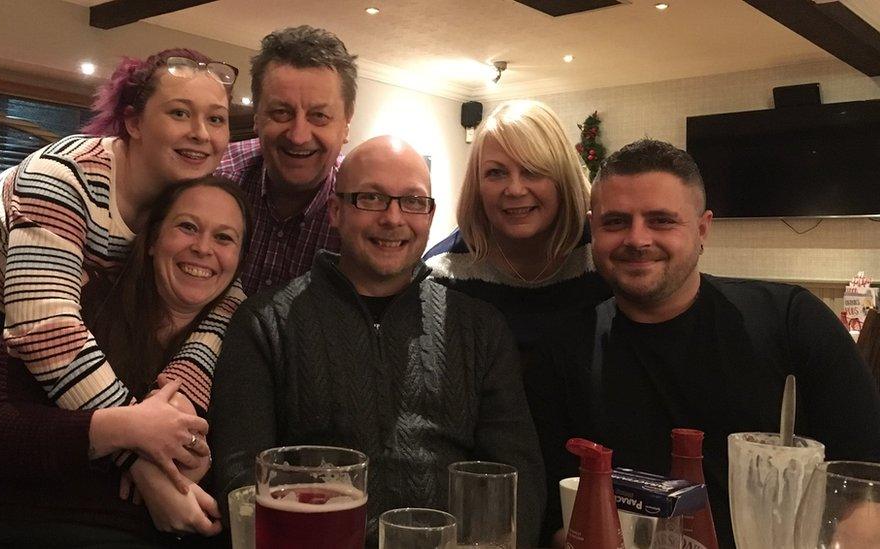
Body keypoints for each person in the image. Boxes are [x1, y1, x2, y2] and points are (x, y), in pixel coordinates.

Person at [526, 139, 880, 547]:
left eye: (661, 220)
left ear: (702, 228)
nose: (637, 239)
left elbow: (864, 488)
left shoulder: (792, 323)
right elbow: (551, 518)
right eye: (616, 222)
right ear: (594, 229)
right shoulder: (563, 352)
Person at [0, 49, 245, 482]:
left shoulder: (188, 191)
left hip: (76, 320)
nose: (201, 134)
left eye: (216, 119)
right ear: (132, 122)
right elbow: (45, 333)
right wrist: (142, 456)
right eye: (180, 113)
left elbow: (229, 297)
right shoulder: (62, 176)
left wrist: (171, 408)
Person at [208, 136, 546, 546]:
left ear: (430, 214)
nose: (393, 217)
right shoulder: (266, 324)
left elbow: (517, 482)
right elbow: (242, 478)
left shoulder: (480, 328)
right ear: (335, 210)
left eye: (412, 201)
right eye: (370, 198)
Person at [0, 176, 250, 547]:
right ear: (152, 240)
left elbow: (237, 465)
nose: (202, 248)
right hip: (18, 526)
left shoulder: (238, 341)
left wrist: (196, 473)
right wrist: (126, 430)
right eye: (187, 227)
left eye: (224, 237)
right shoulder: (78, 303)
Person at [424, 100, 609, 371]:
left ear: (563, 178)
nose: (515, 189)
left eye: (532, 170)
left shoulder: (603, 258)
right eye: (496, 173)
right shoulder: (442, 274)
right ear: (477, 184)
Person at [215, 25, 357, 294]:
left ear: (346, 126)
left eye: (319, 116)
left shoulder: (361, 214)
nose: (299, 136)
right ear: (257, 118)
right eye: (281, 112)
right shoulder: (217, 177)